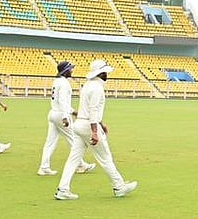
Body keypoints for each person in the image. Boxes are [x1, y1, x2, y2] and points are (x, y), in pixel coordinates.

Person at [54, 59, 138, 200]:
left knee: (73, 159)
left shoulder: (88, 85)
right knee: (105, 157)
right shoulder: (97, 88)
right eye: (105, 72)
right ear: (101, 73)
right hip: (88, 125)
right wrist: (95, 131)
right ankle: (119, 186)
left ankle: (63, 189)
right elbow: (93, 110)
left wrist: (101, 123)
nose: (107, 74)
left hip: (80, 124)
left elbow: (89, 109)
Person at [37, 61, 96, 176]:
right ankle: (81, 165)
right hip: (61, 114)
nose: (72, 70)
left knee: (50, 143)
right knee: (74, 140)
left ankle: (44, 167)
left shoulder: (57, 81)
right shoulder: (64, 84)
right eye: (70, 69)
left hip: (53, 113)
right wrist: (68, 114)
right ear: (65, 71)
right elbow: (63, 101)